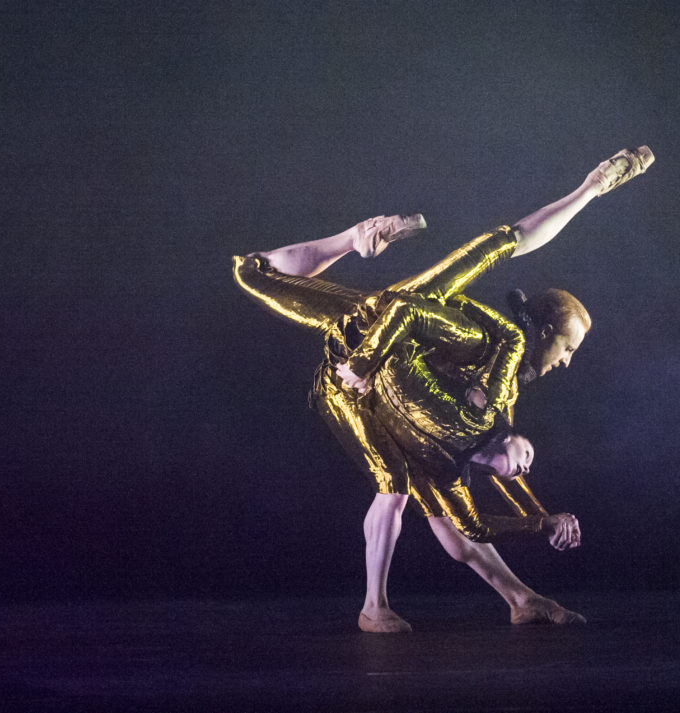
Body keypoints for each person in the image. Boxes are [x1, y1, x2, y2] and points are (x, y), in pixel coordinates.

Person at [233, 147, 654, 632]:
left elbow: (482, 498)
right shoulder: (482, 342)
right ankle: (375, 606)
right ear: (542, 331)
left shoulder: (502, 389)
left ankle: (521, 598)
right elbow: (503, 244)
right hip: (365, 353)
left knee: (445, 506)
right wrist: (591, 189)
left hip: (403, 394)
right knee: (392, 486)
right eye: (567, 346)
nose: (567, 360)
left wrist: (544, 519)